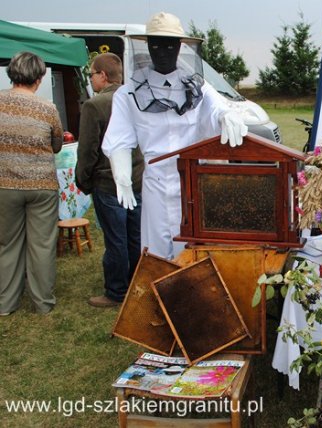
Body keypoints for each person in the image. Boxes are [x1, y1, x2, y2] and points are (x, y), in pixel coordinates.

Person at [102, 12, 247, 260]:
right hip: (155, 183)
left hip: (191, 183)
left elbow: (218, 108)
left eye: (170, 44)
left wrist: (227, 116)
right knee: (156, 252)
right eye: (156, 44)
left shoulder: (198, 87)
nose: (163, 51)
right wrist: (121, 173)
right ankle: (159, 295)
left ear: (180, 47)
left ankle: (190, 294)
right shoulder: (128, 94)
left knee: (191, 249)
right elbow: (119, 138)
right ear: (147, 46)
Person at [75, 53, 145, 307]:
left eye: (92, 73)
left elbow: (88, 151)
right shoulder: (136, 98)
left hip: (109, 183)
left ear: (103, 76)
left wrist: (82, 181)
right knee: (135, 237)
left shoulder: (96, 105)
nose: (91, 78)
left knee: (116, 239)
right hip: (137, 180)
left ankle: (116, 291)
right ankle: (137, 284)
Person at [0, 52, 63, 316]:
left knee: (7, 243)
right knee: (42, 244)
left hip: (5, 183)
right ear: (39, 78)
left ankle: (6, 303)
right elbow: (57, 144)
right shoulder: (47, 108)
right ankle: (42, 303)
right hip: (42, 184)